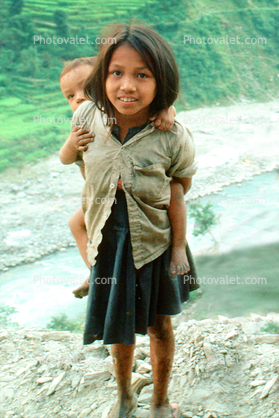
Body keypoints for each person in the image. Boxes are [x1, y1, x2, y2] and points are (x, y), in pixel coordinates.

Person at [60, 22, 198, 418]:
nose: (127, 86)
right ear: (102, 76)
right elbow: (70, 155)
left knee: (159, 326)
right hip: (108, 239)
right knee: (117, 330)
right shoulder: (86, 115)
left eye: (143, 75)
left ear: (162, 82)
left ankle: (158, 399)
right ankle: (123, 394)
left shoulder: (172, 133)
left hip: (154, 239)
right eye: (116, 73)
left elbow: (181, 183)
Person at [59, 57, 177, 299]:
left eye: (86, 89)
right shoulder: (83, 122)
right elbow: (65, 158)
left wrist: (168, 109)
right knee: (76, 223)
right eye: (70, 96)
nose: (79, 98)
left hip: (133, 199)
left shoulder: (128, 114)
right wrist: (72, 143)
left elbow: (158, 107)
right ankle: (94, 271)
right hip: (99, 199)